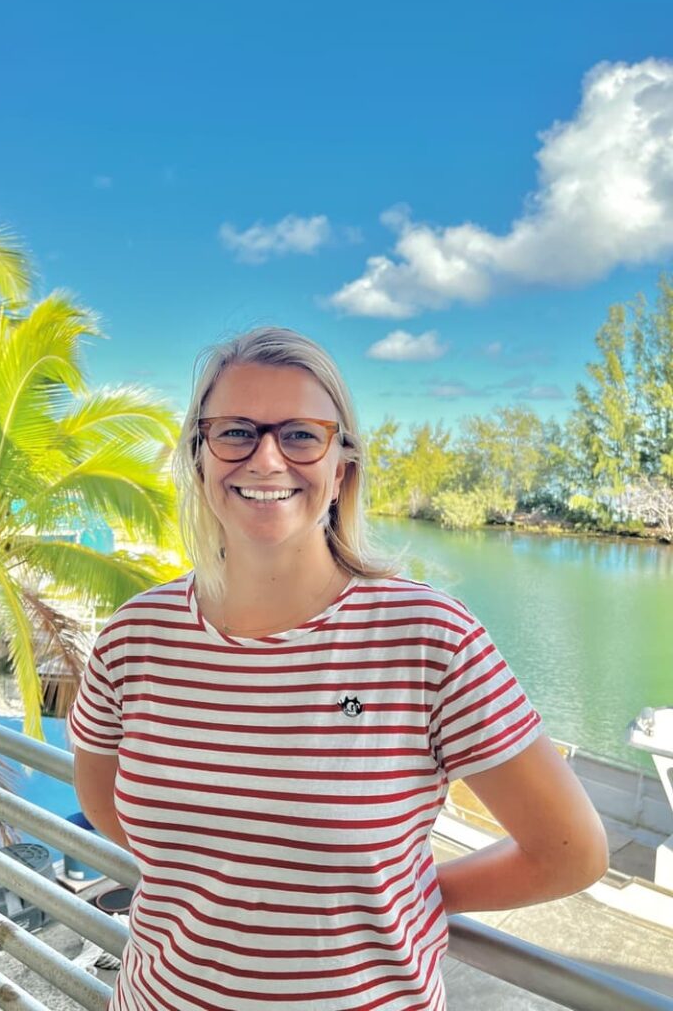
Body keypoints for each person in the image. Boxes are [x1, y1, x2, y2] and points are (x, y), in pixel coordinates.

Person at [68, 326, 608, 1011]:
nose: (266, 458)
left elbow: (569, 851)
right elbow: (104, 803)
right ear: (198, 458)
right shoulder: (135, 638)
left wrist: (413, 893)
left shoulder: (429, 638)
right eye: (234, 431)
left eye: (300, 435)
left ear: (341, 465)